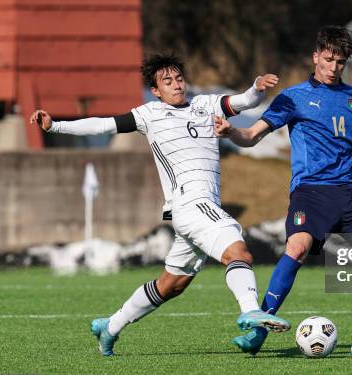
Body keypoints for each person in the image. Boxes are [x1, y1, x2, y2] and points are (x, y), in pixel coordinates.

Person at [29, 54, 291, 356]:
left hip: (199, 209)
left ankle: (110, 326)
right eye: (168, 81)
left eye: (179, 78)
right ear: (156, 90)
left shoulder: (204, 105)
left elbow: (243, 102)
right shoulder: (149, 114)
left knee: (172, 285)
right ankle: (250, 311)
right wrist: (55, 126)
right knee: (237, 247)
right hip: (190, 204)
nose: (176, 85)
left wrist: (257, 87)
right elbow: (103, 124)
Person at [214, 26, 352, 358]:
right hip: (310, 191)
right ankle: (259, 331)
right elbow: (252, 136)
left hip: (350, 192)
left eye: (340, 61)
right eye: (329, 59)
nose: (334, 67)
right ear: (316, 56)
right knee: (299, 245)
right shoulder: (293, 97)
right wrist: (231, 131)